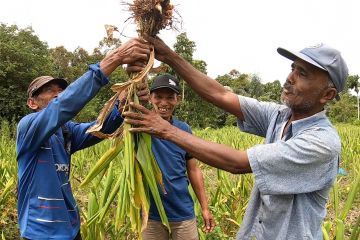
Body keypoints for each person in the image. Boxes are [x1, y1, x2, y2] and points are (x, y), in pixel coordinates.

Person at [123, 39, 348, 240]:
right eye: (293, 68)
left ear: (327, 95)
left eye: (304, 73)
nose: (290, 78)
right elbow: (220, 95)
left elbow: (237, 163)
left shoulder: (321, 143)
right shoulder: (278, 116)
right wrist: (169, 55)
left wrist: (166, 130)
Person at [16, 38, 151, 240]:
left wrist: (125, 96)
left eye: (60, 90)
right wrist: (114, 59)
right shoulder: (28, 128)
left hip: (71, 230)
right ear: (32, 103)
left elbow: (100, 128)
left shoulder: (66, 132)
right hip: (40, 232)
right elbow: (62, 106)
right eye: (49, 91)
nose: (58, 94)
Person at [142, 74, 215, 240]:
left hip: (182, 213)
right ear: (150, 97)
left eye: (170, 97)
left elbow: (194, 170)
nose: (164, 103)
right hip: (150, 214)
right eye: (158, 97)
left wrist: (204, 208)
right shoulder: (140, 127)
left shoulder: (184, 130)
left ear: (178, 99)